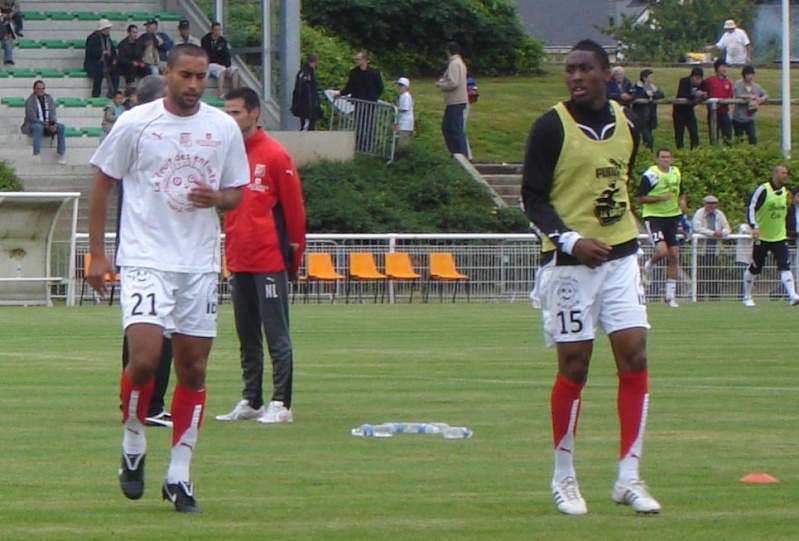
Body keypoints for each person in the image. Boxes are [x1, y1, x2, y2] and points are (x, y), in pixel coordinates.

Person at [86, 44, 250, 513]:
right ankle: (133, 442)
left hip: (197, 263)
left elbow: (237, 193)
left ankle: (179, 473)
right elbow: (102, 182)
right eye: (186, 75)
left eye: (201, 77)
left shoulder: (221, 128)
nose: (194, 85)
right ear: (168, 74)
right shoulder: (136, 122)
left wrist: (217, 197)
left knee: (194, 369)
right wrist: (98, 255)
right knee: (143, 360)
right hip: (144, 257)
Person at [522, 39, 660, 516]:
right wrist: (570, 240)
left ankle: (629, 476)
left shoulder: (628, 124)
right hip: (568, 264)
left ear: (606, 73)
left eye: (584, 69)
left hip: (621, 256)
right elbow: (533, 199)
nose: (575, 76)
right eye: (570, 70)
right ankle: (563, 476)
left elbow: (623, 179)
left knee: (635, 353)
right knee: (575, 366)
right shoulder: (550, 127)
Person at [216, 87, 307, 425]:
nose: (230, 118)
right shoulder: (229, 153)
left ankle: (281, 402)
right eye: (226, 112)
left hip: (269, 260)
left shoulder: (275, 155)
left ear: (254, 113)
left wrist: (293, 257)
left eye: (236, 112)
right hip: (239, 259)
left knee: (276, 333)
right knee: (247, 333)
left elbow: (294, 213)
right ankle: (251, 398)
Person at [116, 73, 172, 428]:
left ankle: (136, 405)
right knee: (158, 330)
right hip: (154, 248)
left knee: (138, 328)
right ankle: (147, 406)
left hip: (144, 245)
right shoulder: (141, 134)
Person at [741, 165, 799, 307]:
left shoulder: (784, 192)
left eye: (786, 173)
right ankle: (747, 295)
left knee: (784, 265)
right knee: (756, 267)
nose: (785, 176)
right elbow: (751, 207)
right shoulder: (763, 190)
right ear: (775, 174)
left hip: (778, 236)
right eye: (782, 173)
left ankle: (792, 295)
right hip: (762, 237)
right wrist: (754, 226)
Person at [638, 148, 686, 308]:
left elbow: (681, 191)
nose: (666, 160)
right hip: (654, 218)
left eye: (668, 157)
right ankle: (648, 265)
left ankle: (670, 295)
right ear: (657, 159)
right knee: (662, 251)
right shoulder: (651, 175)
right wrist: (659, 198)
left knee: (674, 255)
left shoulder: (676, 173)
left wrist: (682, 200)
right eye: (662, 157)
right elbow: (640, 198)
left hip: (672, 217)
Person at [338, 50, 384, 152]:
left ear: (364, 60)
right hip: (358, 103)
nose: (356, 61)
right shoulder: (354, 73)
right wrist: (341, 93)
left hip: (370, 103)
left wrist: (374, 98)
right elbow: (350, 87)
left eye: (358, 59)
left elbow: (380, 87)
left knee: (370, 125)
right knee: (359, 125)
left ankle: (369, 147)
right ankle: (359, 146)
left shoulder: (374, 73)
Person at [692, 195, 731, 300]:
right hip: (701, 251)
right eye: (710, 203)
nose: (712, 206)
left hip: (714, 251)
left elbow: (727, 228)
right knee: (700, 276)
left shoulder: (719, 214)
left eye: (714, 203)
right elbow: (697, 228)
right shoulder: (699, 213)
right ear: (705, 204)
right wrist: (713, 233)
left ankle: (714, 298)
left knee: (713, 275)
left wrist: (721, 233)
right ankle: (699, 298)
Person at [21, 80, 66, 164]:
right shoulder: (30, 101)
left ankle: (61, 154)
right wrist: (45, 124)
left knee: (61, 127)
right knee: (38, 127)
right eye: (39, 89)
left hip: (48, 124)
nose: (41, 90)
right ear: (34, 89)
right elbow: (32, 118)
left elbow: (53, 113)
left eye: (43, 88)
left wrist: (53, 124)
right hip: (34, 125)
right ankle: (36, 153)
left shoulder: (49, 98)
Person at [436, 41, 469, 157]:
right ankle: (456, 153)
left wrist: (441, 85)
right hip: (456, 101)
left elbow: (454, 82)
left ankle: (460, 155)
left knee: (453, 129)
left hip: (455, 101)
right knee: (449, 127)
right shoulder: (459, 62)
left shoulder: (454, 64)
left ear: (448, 51)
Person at [200, 22, 240, 97]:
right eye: (216, 30)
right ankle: (221, 93)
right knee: (222, 69)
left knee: (235, 70)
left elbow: (226, 54)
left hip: (222, 63)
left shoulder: (222, 41)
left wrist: (228, 65)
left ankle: (235, 93)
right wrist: (223, 65)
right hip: (210, 63)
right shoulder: (205, 40)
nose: (218, 32)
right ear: (212, 30)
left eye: (219, 30)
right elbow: (210, 55)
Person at [672, 67, 708, 150]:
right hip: (679, 111)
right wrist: (694, 95)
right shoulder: (684, 81)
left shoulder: (703, 83)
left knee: (694, 132)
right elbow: (682, 94)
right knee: (679, 133)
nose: (698, 81)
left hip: (690, 111)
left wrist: (704, 95)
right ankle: (680, 150)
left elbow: (707, 93)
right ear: (692, 77)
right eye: (696, 78)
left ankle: (694, 150)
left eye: (700, 79)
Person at [84, 19, 120, 98]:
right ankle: (96, 94)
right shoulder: (92, 38)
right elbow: (90, 52)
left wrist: (114, 59)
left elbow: (113, 51)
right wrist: (101, 52)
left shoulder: (108, 39)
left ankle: (113, 93)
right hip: (94, 63)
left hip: (106, 62)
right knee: (99, 70)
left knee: (116, 71)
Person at [732, 65, 767, 145]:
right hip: (738, 117)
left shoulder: (756, 86)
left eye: (751, 74)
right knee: (739, 139)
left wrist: (762, 98)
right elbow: (737, 95)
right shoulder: (738, 84)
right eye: (748, 74)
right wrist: (750, 96)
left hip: (750, 118)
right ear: (744, 75)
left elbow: (765, 94)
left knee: (752, 137)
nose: (750, 77)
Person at [631, 69, 664, 150]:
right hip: (641, 116)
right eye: (651, 76)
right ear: (645, 78)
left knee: (649, 135)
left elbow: (661, 95)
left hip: (650, 116)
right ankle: (648, 149)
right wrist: (645, 94)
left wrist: (653, 94)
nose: (652, 78)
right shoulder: (637, 87)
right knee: (647, 137)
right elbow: (634, 96)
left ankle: (647, 150)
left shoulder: (653, 87)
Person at [704, 58, 733, 145]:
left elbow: (730, 97)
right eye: (722, 66)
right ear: (717, 68)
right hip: (713, 111)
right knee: (713, 134)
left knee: (727, 134)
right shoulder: (709, 80)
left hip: (724, 112)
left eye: (725, 67)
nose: (724, 69)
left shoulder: (728, 82)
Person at [290, 52, 322, 131]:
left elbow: (298, 90)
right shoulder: (307, 74)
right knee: (307, 127)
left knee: (307, 125)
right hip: (308, 105)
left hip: (307, 105)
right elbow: (304, 90)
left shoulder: (305, 72)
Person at [395, 77, 414, 147]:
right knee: (401, 138)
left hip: (406, 122)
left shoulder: (406, 96)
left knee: (403, 139)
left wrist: (396, 109)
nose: (399, 87)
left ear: (406, 87)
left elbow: (405, 108)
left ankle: (403, 153)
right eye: (399, 85)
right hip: (402, 121)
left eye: (401, 85)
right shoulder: (402, 96)